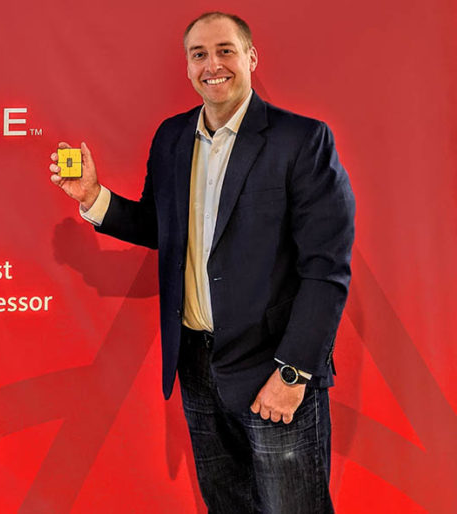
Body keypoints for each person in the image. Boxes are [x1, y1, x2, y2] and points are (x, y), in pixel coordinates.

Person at [49, 12, 354, 514]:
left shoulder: (301, 140)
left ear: (251, 57)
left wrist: (293, 374)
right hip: (197, 366)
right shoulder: (172, 137)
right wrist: (94, 197)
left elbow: (326, 271)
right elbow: (160, 227)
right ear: (188, 66)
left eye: (225, 51)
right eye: (199, 54)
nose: (213, 65)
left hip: (273, 369)